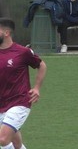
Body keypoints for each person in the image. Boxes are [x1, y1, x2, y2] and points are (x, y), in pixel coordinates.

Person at [0, 18, 47, 149]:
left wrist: (37, 88)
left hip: (19, 102)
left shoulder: (22, 52)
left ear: (6, 33)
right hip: (2, 103)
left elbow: (41, 65)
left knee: (3, 139)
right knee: (16, 144)